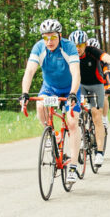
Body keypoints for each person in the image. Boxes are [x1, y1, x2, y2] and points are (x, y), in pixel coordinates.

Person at [19, 19, 82, 184]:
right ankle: (52, 136)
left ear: (60, 36)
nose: (49, 41)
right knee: (40, 105)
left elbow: (76, 73)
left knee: (72, 122)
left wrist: (73, 94)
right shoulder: (39, 47)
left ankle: (73, 166)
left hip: (70, 88)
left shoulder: (69, 47)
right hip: (50, 88)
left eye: (53, 37)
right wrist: (25, 93)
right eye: (45, 38)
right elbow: (29, 71)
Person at [71, 30, 110, 167]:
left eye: (80, 45)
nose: (78, 48)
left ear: (86, 44)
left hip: (96, 85)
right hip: (79, 85)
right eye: (75, 45)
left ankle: (100, 152)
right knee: (73, 115)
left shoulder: (92, 51)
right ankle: (81, 138)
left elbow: (109, 59)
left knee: (97, 116)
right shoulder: (69, 53)